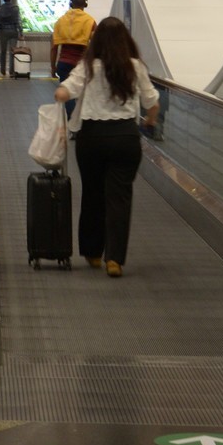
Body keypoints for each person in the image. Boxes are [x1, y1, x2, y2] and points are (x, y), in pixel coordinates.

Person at [54, 17, 159, 277]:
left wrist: (63, 96)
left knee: (92, 193)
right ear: (126, 40)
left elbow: (64, 92)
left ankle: (92, 253)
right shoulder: (135, 66)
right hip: (125, 137)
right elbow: (152, 101)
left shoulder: (88, 66)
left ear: (96, 40)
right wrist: (150, 120)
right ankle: (115, 259)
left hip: (92, 138)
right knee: (119, 198)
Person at [51, 0, 96, 84]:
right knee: (80, 95)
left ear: (71, 4)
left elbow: (54, 48)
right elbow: (97, 44)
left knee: (67, 93)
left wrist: (53, 68)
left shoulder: (60, 21)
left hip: (63, 64)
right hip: (81, 65)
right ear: (85, 4)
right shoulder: (90, 21)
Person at [0, 0, 22, 76]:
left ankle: (3, 70)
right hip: (13, 31)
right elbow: (18, 21)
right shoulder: (15, 9)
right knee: (12, 51)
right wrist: (21, 32)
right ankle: (11, 71)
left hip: (3, 32)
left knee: (3, 51)